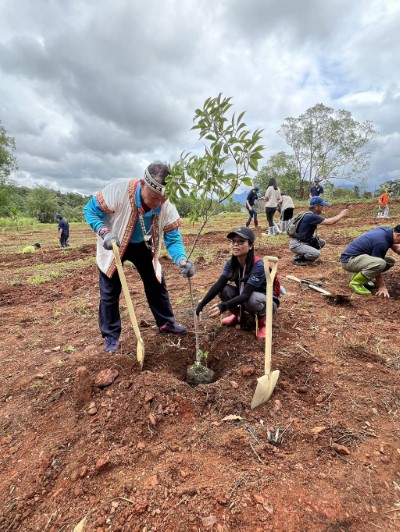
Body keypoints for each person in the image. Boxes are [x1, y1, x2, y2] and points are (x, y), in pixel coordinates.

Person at [83, 161, 195, 353]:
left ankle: (166, 323)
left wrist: (182, 260)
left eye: (161, 199)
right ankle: (111, 337)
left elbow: (173, 237)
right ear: (142, 184)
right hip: (114, 244)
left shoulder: (166, 204)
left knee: (156, 283)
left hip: (144, 244)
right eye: (153, 198)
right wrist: (103, 232)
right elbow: (90, 211)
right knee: (110, 290)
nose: (156, 204)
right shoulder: (118, 190)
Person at [195, 227, 280, 339]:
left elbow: (246, 295)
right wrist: (202, 304)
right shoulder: (231, 263)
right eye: (233, 241)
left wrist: (223, 306)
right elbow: (218, 285)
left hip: (266, 301)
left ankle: (263, 324)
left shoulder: (258, 265)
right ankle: (239, 316)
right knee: (223, 290)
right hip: (247, 296)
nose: (236, 245)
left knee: (251, 299)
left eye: (241, 242)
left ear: (250, 246)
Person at [339, 225, 400, 297]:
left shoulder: (387, 231)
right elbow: (378, 265)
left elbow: (396, 248)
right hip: (349, 260)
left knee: (389, 261)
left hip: (359, 257)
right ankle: (356, 282)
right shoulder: (381, 243)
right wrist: (382, 287)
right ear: (398, 235)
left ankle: (364, 279)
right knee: (381, 263)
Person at [289, 196, 349, 266]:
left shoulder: (308, 214)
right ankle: (298, 258)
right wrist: (342, 214)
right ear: (316, 206)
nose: (323, 208)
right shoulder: (311, 216)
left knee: (320, 243)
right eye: (322, 206)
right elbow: (330, 222)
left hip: (301, 242)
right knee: (316, 253)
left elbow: (330, 221)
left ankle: (304, 253)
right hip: (297, 244)